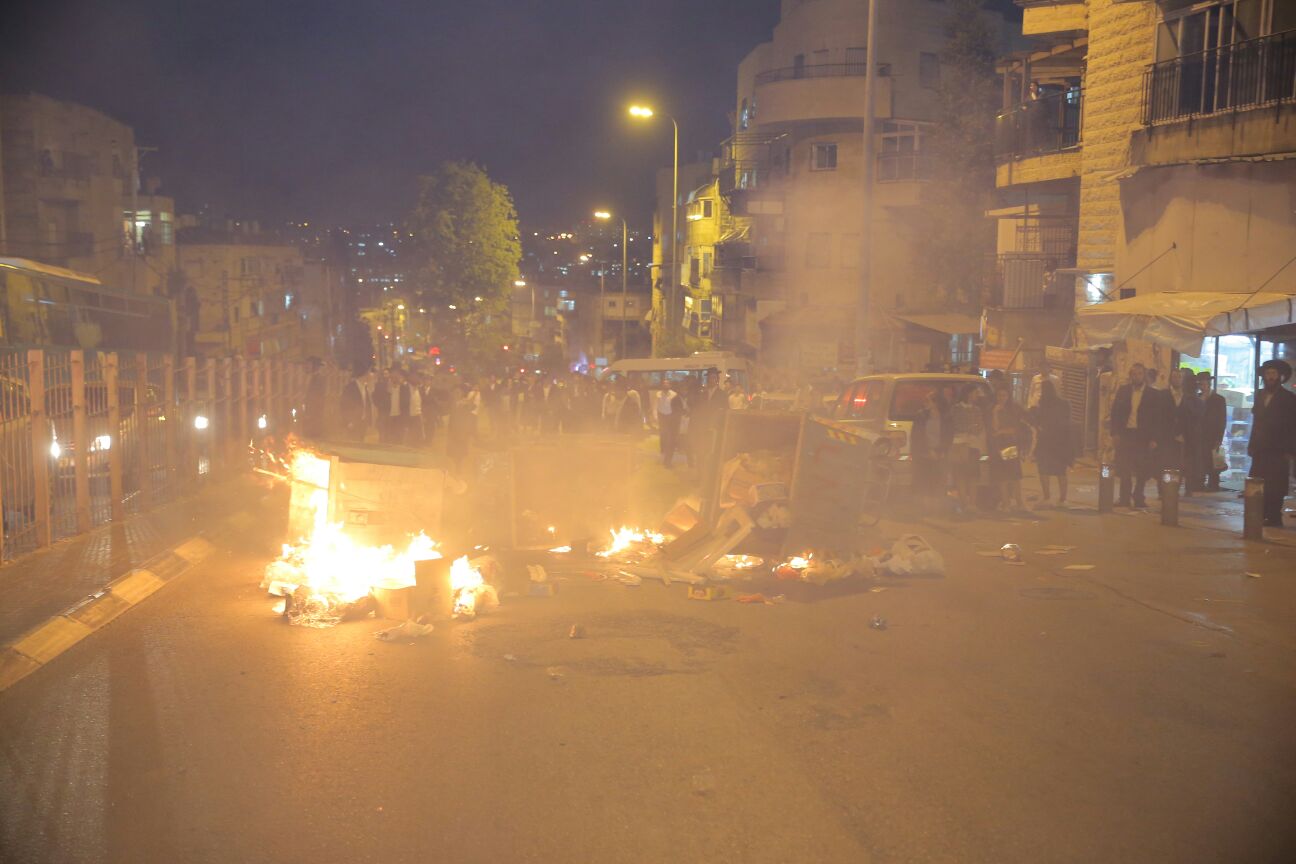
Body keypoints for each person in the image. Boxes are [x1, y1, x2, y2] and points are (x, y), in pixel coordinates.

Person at [1247, 359, 1296, 527]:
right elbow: (1256, 422)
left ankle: (1274, 516)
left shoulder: (1288, 398)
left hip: (1278, 449)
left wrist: (1290, 450)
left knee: (1276, 484)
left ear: (1280, 376)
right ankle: (1261, 513)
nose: (1270, 377)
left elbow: (1292, 425)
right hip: (1260, 449)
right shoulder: (1260, 395)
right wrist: (1251, 444)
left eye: (1273, 374)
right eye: (1268, 374)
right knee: (1259, 481)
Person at [1110, 362, 1162, 509]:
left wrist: (1154, 438)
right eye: (1133, 374)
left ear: (1143, 375)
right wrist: (1114, 433)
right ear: (1130, 376)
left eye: (1139, 373)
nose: (1136, 376)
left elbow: (1157, 418)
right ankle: (1124, 497)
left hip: (1143, 436)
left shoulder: (1153, 395)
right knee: (1124, 467)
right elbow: (1115, 413)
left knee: (1142, 469)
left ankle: (1138, 496)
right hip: (1126, 434)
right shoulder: (1123, 391)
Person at [1031, 380, 1073, 506]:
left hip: (1045, 441)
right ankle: (1062, 499)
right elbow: (1068, 421)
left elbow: (1037, 422)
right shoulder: (1064, 404)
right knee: (1061, 471)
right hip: (1061, 442)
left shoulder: (1042, 405)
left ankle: (1047, 497)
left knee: (1043, 470)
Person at [1163, 367, 1204, 495]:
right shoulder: (1164, 395)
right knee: (1170, 463)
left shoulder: (1191, 399)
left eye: (1180, 377)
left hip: (1186, 436)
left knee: (1185, 463)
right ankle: (1169, 487)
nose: (1177, 380)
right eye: (1175, 377)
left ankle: (1185, 487)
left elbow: (1194, 417)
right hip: (1169, 436)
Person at [950, 385, 989, 514]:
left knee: (973, 476)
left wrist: (971, 428)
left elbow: (979, 426)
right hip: (959, 445)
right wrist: (970, 428)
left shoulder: (977, 409)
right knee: (961, 474)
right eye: (975, 393)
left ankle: (972, 503)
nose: (977, 396)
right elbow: (955, 425)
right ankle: (964, 503)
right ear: (968, 394)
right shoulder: (956, 409)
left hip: (973, 445)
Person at [989, 386, 1027, 511]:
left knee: (1013, 475)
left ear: (1008, 396)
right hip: (998, 446)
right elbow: (994, 428)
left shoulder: (1013, 409)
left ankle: (1019, 502)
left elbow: (1014, 429)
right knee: (1002, 476)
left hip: (1009, 445)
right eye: (999, 395)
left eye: (1004, 395)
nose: (1002, 398)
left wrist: (1000, 432)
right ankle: (1006, 503)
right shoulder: (994, 409)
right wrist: (995, 413)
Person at [1197, 371, 1228, 491]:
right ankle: (1199, 483)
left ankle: (1214, 484)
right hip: (1199, 435)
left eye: (1204, 384)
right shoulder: (1197, 398)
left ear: (1209, 384)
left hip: (1212, 435)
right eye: (1200, 384)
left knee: (1213, 460)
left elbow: (1222, 420)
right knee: (1200, 459)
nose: (1202, 387)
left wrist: (1219, 438)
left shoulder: (1219, 399)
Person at [653, 379, 684, 467]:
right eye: (664, 383)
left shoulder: (674, 395)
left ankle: (667, 458)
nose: (665, 385)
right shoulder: (658, 394)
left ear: (670, 385)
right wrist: (655, 416)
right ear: (662, 385)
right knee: (663, 436)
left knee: (670, 438)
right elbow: (655, 406)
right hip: (662, 417)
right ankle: (664, 453)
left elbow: (677, 409)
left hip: (671, 418)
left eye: (667, 384)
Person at [338, 369, 373, 442]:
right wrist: (349, 421)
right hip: (353, 422)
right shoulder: (350, 387)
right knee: (352, 443)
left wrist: (368, 421)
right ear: (363, 375)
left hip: (362, 422)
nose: (370, 376)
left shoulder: (364, 387)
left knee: (360, 442)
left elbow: (367, 405)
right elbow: (344, 405)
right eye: (368, 374)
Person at [301, 357, 329, 439]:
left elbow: (315, 398)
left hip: (314, 414)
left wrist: (309, 412)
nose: (306, 367)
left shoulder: (318, 379)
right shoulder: (313, 378)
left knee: (313, 436)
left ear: (314, 366)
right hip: (312, 413)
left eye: (309, 365)